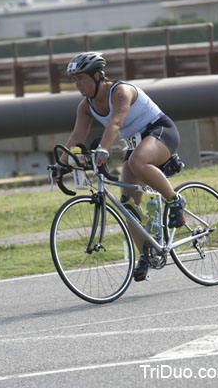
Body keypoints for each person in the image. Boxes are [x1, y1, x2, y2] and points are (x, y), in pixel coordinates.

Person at [60, 51, 185, 281]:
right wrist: (61, 165)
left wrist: (104, 149)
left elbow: (116, 122)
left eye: (81, 78)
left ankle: (175, 200)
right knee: (127, 203)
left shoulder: (120, 91)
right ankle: (146, 254)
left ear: (97, 76)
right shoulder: (85, 106)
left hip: (160, 132)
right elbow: (76, 137)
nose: (77, 84)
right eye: (74, 79)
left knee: (138, 161)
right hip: (136, 143)